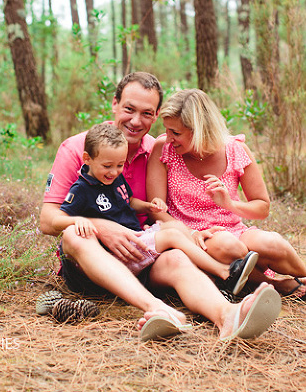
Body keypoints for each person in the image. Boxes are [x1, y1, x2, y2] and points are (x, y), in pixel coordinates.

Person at [39, 72, 281, 341]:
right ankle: (156, 307)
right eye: (129, 109)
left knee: (176, 257)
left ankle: (228, 316)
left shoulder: (160, 150)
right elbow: (47, 220)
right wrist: (101, 227)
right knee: (75, 234)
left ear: (155, 116)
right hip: (91, 264)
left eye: (146, 113)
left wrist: (192, 232)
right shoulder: (78, 148)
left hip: (141, 256)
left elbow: (174, 203)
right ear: (114, 103)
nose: (135, 121)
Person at [146, 88, 306, 304]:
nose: (169, 138)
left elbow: (262, 207)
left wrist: (229, 204)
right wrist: (191, 233)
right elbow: (156, 212)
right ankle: (275, 285)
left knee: (272, 243)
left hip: (234, 229)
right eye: (167, 130)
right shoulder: (163, 149)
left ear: (200, 130)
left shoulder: (235, 149)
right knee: (229, 246)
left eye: (176, 133)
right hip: (192, 236)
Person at [54, 122, 259, 296]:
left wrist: (148, 206)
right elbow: (59, 219)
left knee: (175, 227)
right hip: (119, 252)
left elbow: (128, 201)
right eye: (107, 166)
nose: (114, 172)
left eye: (119, 165)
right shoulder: (82, 189)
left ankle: (208, 274)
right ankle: (224, 273)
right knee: (172, 236)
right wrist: (79, 221)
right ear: (87, 159)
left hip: (135, 237)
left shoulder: (114, 179)